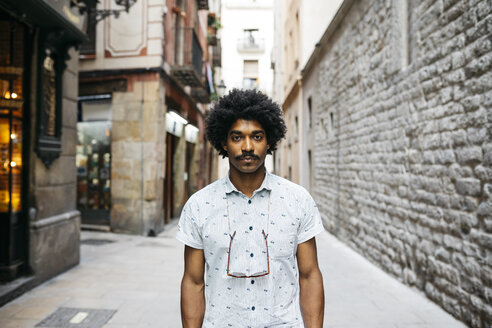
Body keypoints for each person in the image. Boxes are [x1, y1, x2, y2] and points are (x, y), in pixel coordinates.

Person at [177, 89, 325, 327]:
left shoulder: (298, 200)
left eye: (257, 137)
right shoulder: (199, 206)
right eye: (237, 137)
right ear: (224, 142)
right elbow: (193, 282)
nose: (247, 146)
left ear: (270, 142)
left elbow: (310, 276)